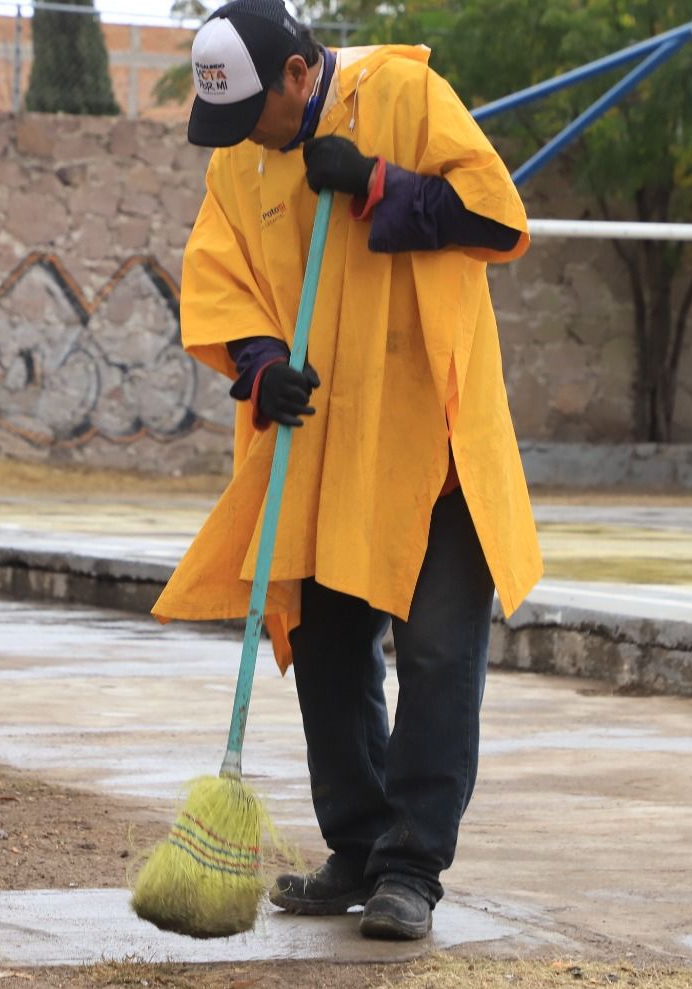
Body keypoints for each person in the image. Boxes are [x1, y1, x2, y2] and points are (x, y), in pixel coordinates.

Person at [153, 0, 543, 940]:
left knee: (441, 657)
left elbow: (497, 217)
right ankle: (359, 846)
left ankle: (411, 868)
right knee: (330, 655)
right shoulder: (240, 156)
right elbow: (219, 273)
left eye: (258, 113)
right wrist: (259, 365)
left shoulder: (405, 92)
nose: (247, 136)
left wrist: (377, 183)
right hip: (325, 445)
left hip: (434, 443)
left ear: (298, 75)